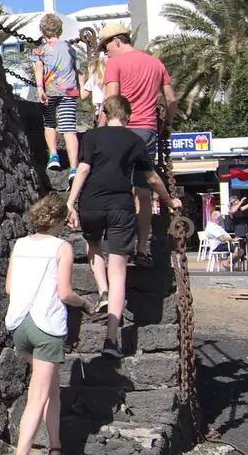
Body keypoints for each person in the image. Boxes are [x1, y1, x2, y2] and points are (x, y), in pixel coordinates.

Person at [67, 95, 178, 359]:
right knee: (118, 270)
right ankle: (111, 340)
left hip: (91, 204)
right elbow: (151, 178)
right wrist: (168, 199)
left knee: (93, 244)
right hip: (121, 207)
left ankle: (102, 291)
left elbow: (82, 170)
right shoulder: (135, 141)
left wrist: (70, 203)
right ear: (128, 116)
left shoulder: (92, 137)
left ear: (104, 113)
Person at [5, 194, 98, 455]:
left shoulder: (19, 244)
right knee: (37, 396)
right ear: (58, 221)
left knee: (50, 388)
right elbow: (64, 293)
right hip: (46, 326)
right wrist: (85, 303)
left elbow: (9, 287)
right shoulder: (62, 247)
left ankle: (55, 448)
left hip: (20, 324)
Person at [98, 24, 178, 263]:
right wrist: (168, 124)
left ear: (116, 41)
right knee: (143, 193)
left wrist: (100, 130)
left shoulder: (116, 64)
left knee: (116, 187)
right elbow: (171, 99)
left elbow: (112, 99)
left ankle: (119, 245)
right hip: (147, 131)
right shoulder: (156, 63)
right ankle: (142, 247)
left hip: (121, 131)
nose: (105, 53)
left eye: (105, 47)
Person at [32, 14, 81, 172]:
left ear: (42, 30)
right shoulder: (70, 49)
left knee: (49, 123)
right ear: (60, 29)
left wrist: (40, 89)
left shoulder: (40, 50)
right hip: (69, 92)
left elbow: (39, 69)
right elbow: (76, 70)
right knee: (69, 129)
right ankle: (74, 168)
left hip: (50, 92)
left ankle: (54, 156)